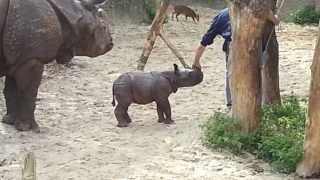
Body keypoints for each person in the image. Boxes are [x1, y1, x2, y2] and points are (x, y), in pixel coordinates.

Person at [192, 8, 279, 110]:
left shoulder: (223, 14)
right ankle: (249, 106)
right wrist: (275, 18)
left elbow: (205, 41)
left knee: (232, 75)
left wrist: (196, 61)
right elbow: (274, 19)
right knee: (254, 75)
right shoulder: (255, 7)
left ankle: (232, 106)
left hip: (233, 46)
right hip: (253, 46)